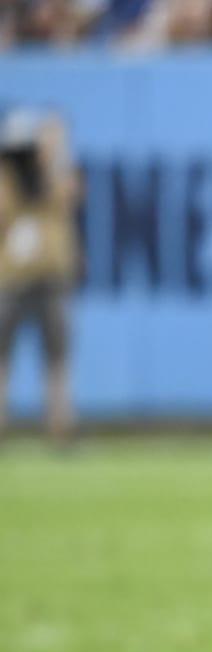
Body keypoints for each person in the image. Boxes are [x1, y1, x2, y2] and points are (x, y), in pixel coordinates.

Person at [0, 108, 81, 448]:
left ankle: (59, 427)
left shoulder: (55, 171)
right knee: (3, 354)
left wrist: (50, 159)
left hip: (52, 277)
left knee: (57, 356)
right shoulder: (6, 178)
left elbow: (68, 195)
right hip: (13, 276)